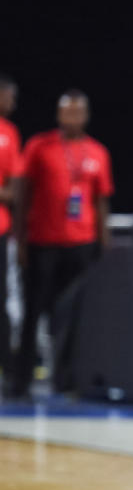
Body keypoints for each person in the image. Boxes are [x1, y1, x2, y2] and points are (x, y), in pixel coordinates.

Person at [7, 90, 113, 399]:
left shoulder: (97, 152)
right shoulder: (39, 147)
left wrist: (102, 238)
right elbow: (24, 194)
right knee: (31, 315)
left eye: (78, 112)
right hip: (42, 242)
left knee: (72, 317)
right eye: (67, 112)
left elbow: (101, 199)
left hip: (80, 243)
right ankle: (21, 381)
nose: (73, 118)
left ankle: (64, 381)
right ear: (58, 114)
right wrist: (21, 238)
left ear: (86, 115)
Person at [0, 74, 19, 379]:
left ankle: (7, 368)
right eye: (8, 95)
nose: (12, 102)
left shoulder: (9, 132)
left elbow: (13, 190)